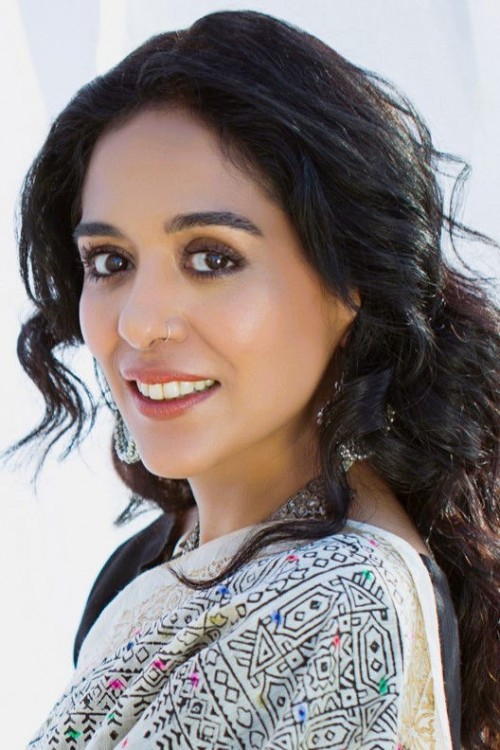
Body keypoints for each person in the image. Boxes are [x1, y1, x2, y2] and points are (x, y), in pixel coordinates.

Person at [12, 9, 499, 750]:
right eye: (110, 262)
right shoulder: (150, 562)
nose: (140, 323)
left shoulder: (344, 605)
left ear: (349, 284)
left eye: (212, 259)